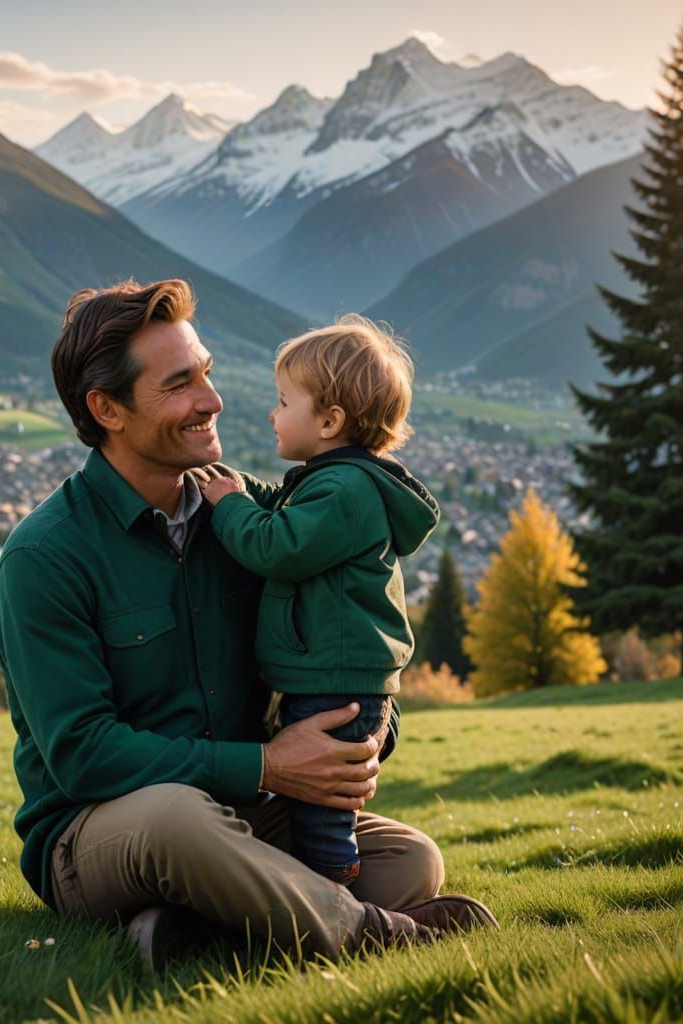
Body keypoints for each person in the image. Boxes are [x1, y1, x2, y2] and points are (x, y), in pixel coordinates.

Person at [0, 278, 497, 971]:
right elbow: (84, 755)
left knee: (411, 861)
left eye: (206, 372)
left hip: (246, 811)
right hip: (101, 831)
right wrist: (268, 765)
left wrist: (357, 742)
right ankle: (375, 935)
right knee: (177, 819)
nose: (213, 400)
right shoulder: (44, 557)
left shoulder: (249, 516)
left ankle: (189, 931)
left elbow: (340, 642)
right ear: (106, 409)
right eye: (180, 384)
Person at [199, 316, 436, 887]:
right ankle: (325, 889)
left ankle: (331, 893)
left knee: (321, 809)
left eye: (284, 402)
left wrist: (228, 507)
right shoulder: (331, 482)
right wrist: (241, 488)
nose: (272, 414)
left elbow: (275, 546)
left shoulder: (343, 490)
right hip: (335, 677)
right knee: (316, 805)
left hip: (334, 684)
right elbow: (285, 507)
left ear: (329, 421)